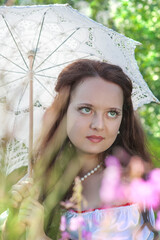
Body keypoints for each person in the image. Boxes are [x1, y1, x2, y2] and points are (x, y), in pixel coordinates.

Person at [10, 59, 158, 240]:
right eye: (86, 109)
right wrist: (15, 218)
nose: (98, 125)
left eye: (112, 113)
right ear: (63, 112)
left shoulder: (131, 187)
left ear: (122, 119)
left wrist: (38, 236)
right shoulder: (43, 178)